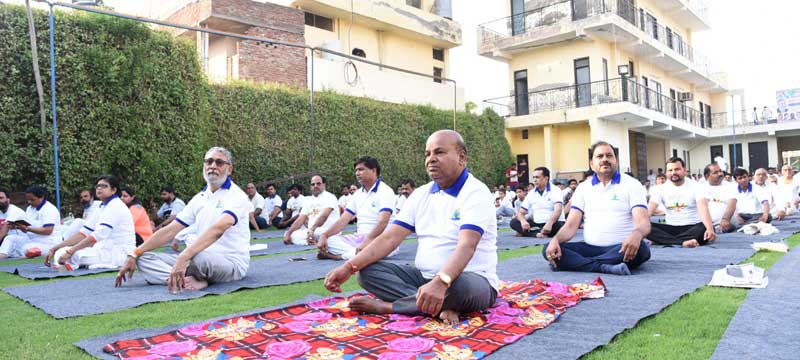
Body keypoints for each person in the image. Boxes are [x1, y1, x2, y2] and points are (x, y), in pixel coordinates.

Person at [324, 130, 498, 325]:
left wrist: (441, 282)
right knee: (366, 273)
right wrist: (349, 267)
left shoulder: (475, 192)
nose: (431, 159)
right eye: (428, 154)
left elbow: (467, 245)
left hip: (470, 281)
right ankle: (436, 305)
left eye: (439, 152)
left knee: (460, 287)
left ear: (462, 157)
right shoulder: (420, 194)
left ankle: (391, 306)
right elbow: (390, 238)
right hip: (423, 278)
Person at [115, 147, 251, 293]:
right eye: (209, 162)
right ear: (204, 166)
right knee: (143, 258)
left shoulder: (237, 196)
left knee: (198, 257)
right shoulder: (199, 198)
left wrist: (184, 256)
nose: (213, 166)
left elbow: (218, 229)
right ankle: (183, 280)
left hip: (228, 263)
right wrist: (134, 254)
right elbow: (171, 229)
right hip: (195, 257)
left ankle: (186, 276)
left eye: (219, 163)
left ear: (229, 169)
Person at [543, 141, 650, 275]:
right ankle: (604, 267)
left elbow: (644, 223)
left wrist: (637, 234)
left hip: (622, 248)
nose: (605, 159)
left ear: (616, 160)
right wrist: (555, 240)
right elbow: (570, 226)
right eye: (599, 156)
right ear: (591, 164)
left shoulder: (632, 185)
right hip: (590, 248)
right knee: (549, 248)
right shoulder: (583, 188)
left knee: (642, 250)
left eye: (609, 156)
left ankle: (578, 263)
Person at [45, 176, 135, 270]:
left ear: (113, 190)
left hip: (118, 253)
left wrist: (71, 251)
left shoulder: (115, 205)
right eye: (98, 186)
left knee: (77, 255)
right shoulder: (102, 206)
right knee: (61, 251)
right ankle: (65, 265)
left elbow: (97, 235)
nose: (99, 188)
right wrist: (55, 248)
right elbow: (84, 233)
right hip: (102, 250)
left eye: (104, 186)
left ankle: (66, 265)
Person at [318, 157, 397, 260]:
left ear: (373, 170)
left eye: (361, 169)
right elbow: (343, 220)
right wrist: (324, 235)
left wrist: (368, 241)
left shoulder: (385, 191)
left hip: (381, 238)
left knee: (373, 248)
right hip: (360, 238)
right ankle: (357, 254)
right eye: (356, 170)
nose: (357, 173)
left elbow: (383, 222)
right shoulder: (357, 194)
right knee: (328, 240)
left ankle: (338, 257)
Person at [647, 157, 715, 247]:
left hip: (692, 226)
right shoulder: (660, 189)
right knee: (646, 227)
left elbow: (703, 208)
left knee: (705, 228)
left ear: (685, 170)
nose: (673, 173)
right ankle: (682, 242)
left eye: (677, 169)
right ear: (666, 173)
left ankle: (665, 240)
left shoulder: (697, 186)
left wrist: (709, 229)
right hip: (670, 227)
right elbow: (649, 210)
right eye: (670, 170)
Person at [0, 186, 62, 259]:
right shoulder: (30, 209)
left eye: (32, 200)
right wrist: (17, 227)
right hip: (31, 240)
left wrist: (28, 229)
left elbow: (48, 230)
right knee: (11, 238)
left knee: (27, 249)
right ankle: (2, 256)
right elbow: (27, 226)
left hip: (48, 243)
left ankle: (50, 252)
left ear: (41, 197)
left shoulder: (49, 209)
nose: (29, 202)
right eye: (28, 200)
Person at [283, 175, 339, 246]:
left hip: (327, 231)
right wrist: (288, 233)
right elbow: (300, 219)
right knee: (290, 234)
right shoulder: (308, 200)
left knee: (318, 233)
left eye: (318, 184)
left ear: (324, 185)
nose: (315, 186)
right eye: (313, 184)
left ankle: (313, 241)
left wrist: (312, 230)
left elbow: (324, 217)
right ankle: (313, 242)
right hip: (312, 231)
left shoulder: (330, 197)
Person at [510, 167, 564, 238]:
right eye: (534, 177)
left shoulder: (555, 190)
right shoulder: (531, 193)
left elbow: (558, 210)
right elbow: (521, 212)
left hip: (554, 223)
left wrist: (549, 223)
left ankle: (530, 233)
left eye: (537, 177)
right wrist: (523, 221)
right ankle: (537, 234)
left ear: (546, 178)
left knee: (559, 227)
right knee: (514, 222)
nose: (535, 180)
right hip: (537, 223)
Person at [702, 163, 737, 233]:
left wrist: (725, 220)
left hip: (726, 225)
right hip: (707, 226)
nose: (720, 174)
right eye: (715, 172)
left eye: (720, 171)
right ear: (706, 176)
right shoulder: (701, 188)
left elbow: (732, 204)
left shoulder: (730, 186)